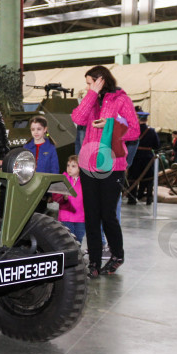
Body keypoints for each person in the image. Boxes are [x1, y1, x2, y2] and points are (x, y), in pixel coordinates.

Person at [71, 65, 139, 278]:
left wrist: (110, 124)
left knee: (108, 215)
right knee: (91, 216)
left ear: (102, 80)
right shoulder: (90, 101)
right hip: (88, 165)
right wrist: (91, 94)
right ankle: (93, 261)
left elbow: (135, 130)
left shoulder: (121, 100)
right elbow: (78, 119)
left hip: (112, 166)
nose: (87, 86)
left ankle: (117, 255)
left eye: (91, 82)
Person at [126, 108, 159, 205]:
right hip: (148, 157)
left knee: (133, 178)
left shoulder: (132, 130)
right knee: (148, 178)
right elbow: (157, 145)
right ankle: (148, 198)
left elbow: (127, 142)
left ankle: (132, 198)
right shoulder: (152, 131)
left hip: (135, 156)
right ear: (146, 120)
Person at [53, 155, 84, 244]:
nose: (69, 168)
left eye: (73, 166)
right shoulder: (63, 179)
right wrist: (63, 197)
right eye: (68, 165)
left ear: (80, 168)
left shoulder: (85, 181)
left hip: (81, 218)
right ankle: (67, 257)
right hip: (65, 217)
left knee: (78, 240)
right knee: (67, 241)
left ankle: (76, 256)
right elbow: (55, 196)